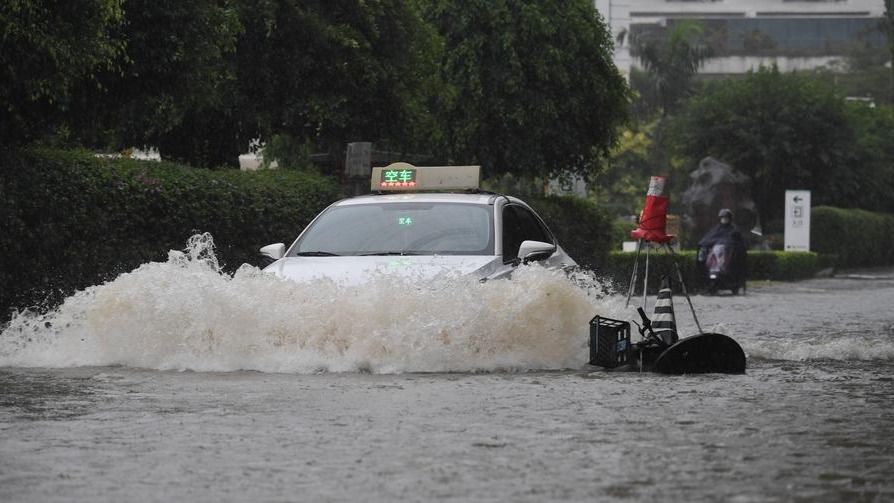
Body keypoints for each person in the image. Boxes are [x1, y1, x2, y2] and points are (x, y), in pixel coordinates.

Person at [697, 208, 747, 294]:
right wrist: (703, 245)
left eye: (726, 217)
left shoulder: (734, 230)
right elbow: (708, 239)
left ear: (729, 218)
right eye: (722, 217)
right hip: (713, 259)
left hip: (728, 259)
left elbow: (739, 244)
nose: (724, 219)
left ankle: (731, 281)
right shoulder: (716, 229)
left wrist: (729, 247)